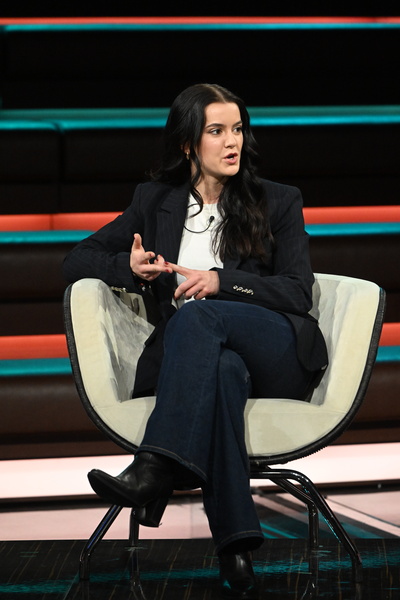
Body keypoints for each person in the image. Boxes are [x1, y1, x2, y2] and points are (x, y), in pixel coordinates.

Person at [63, 83, 328, 599]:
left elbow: (298, 291)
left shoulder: (277, 200)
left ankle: (155, 465)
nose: (233, 142)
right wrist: (129, 268)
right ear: (188, 143)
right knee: (222, 370)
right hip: (205, 362)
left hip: (274, 347)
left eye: (238, 129)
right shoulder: (154, 201)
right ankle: (235, 546)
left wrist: (222, 282)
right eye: (217, 131)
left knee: (201, 315)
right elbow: (76, 260)